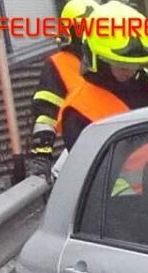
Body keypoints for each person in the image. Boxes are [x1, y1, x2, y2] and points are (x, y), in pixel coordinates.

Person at [27, 0, 110, 180]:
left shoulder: (110, 59)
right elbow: (46, 115)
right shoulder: (58, 64)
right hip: (82, 148)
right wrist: (41, 155)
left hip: (114, 141)